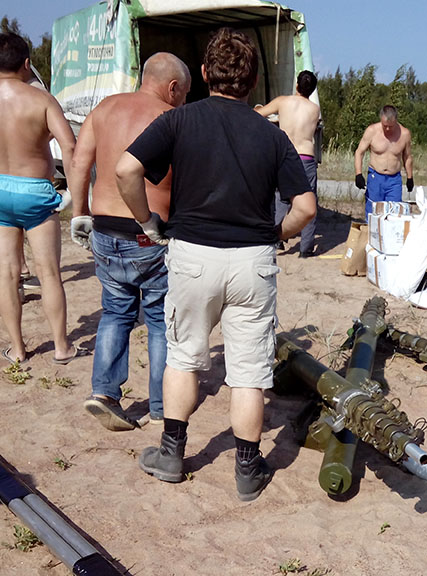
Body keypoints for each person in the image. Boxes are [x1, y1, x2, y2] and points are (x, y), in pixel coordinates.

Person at [116, 27, 316, 502]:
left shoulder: (180, 120)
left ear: (205, 73)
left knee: (184, 357)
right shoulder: (272, 136)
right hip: (252, 262)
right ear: (253, 81)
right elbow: (305, 208)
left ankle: (171, 454)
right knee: (249, 373)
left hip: (193, 256)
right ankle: (247, 469)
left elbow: (126, 169)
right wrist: (275, 234)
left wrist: (148, 221)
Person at [69, 53, 191, 431]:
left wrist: (79, 213)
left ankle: (104, 393)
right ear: (173, 87)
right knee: (158, 320)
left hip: (104, 230)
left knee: (116, 312)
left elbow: (78, 163)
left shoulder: (104, 108)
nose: (184, 100)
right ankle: (160, 405)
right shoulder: (173, 119)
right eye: (184, 93)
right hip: (149, 234)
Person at [0, 32, 83, 365]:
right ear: (27, 63)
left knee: (6, 272)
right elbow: (69, 146)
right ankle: (62, 347)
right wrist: (73, 196)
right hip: (35, 191)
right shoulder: (42, 100)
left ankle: (18, 350)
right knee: (49, 273)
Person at [255, 70, 321, 257]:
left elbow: (258, 114)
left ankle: (277, 240)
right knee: (308, 200)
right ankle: (306, 249)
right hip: (306, 157)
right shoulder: (314, 109)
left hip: (286, 155)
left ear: (297, 85)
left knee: (281, 199)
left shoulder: (282, 102)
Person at [354, 104, 413, 215]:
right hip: (375, 177)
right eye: (385, 125)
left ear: (396, 121)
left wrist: (410, 177)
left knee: (394, 213)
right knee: (374, 212)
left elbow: (407, 156)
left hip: (394, 180)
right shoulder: (372, 131)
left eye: (391, 126)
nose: (387, 129)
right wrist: (358, 174)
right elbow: (359, 152)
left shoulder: (404, 134)